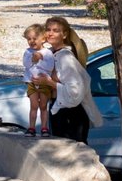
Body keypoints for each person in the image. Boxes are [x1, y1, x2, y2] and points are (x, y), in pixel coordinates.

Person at [42, 15, 103, 143]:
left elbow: (75, 91)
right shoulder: (50, 54)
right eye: (48, 30)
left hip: (71, 113)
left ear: (64, 35)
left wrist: (50, 83)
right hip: (59, 109)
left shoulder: (65, 57)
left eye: (55, 30)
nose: (50, 33)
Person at [22, 24, 57, 135]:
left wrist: (40, 59)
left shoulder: (47, 53)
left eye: (34, 38)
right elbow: (26, 64)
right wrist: (33, 59)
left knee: (43, 105)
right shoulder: (28, 52)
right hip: (31, 82)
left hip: (44, 83)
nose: (32, 41)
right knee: (33, 105)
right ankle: (31, 127)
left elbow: (50, 67)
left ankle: (44, 127)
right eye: (29, 39)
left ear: (42, 39)